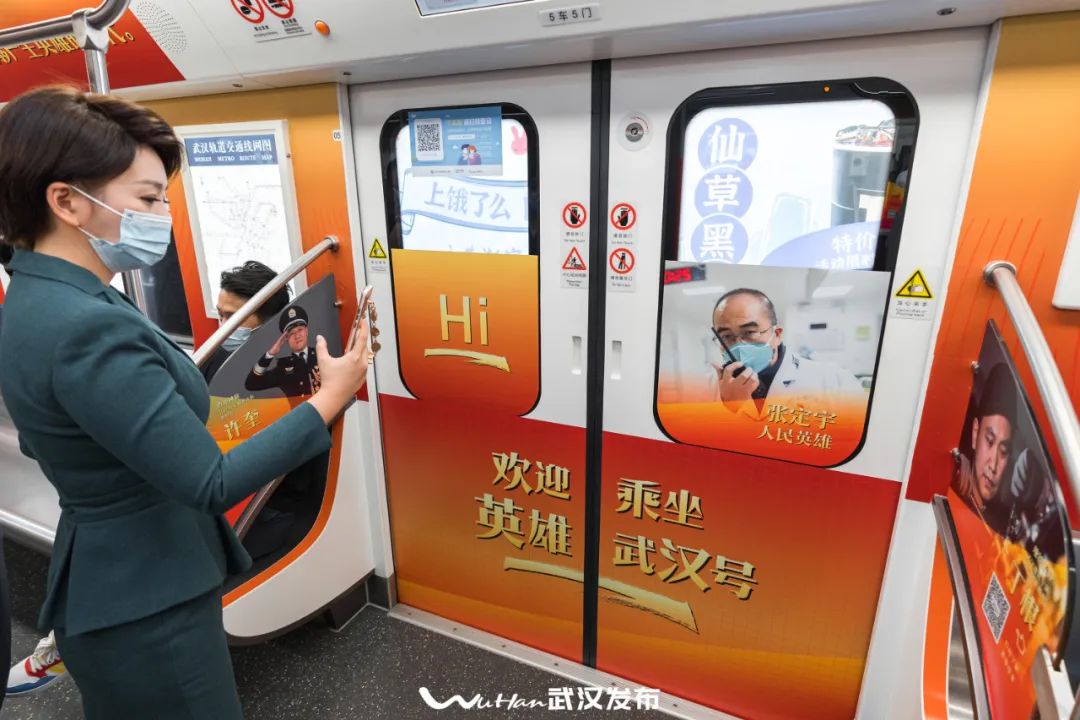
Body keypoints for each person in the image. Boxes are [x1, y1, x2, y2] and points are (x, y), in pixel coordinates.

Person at [0, 86, 369, 719]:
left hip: (107, 573)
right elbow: (209, 482)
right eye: (147, 199)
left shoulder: (35, 299)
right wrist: (331, 397)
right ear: (66, 201)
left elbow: (40, 440)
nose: (162, 216)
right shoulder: (90, 324)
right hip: (149, 600)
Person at [709, 288, 863, 415]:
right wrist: (728, 408)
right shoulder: (708, 387)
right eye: (726, 336)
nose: (738, 345)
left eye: (750, 332)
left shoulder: (834, 382)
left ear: (777, 335)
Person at [204, 260, 291, 383]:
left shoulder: (290, 362)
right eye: (220, 315)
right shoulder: (212, 358)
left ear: (270, 320)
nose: (222, 327)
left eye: (233, 318)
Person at [952, 362, 1015, 520]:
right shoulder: (952, 484)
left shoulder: (1003, 520)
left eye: (1003, 451)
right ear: (975, 434)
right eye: (989, 441)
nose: (993, 465)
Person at [245, 303, 320, 399]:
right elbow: (251, 384)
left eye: (300, 330)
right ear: (286, 338)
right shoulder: (283, 368)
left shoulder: (321, 354)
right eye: (291, 333)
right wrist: (270, 354)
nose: (297, 336)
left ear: (306, 331)